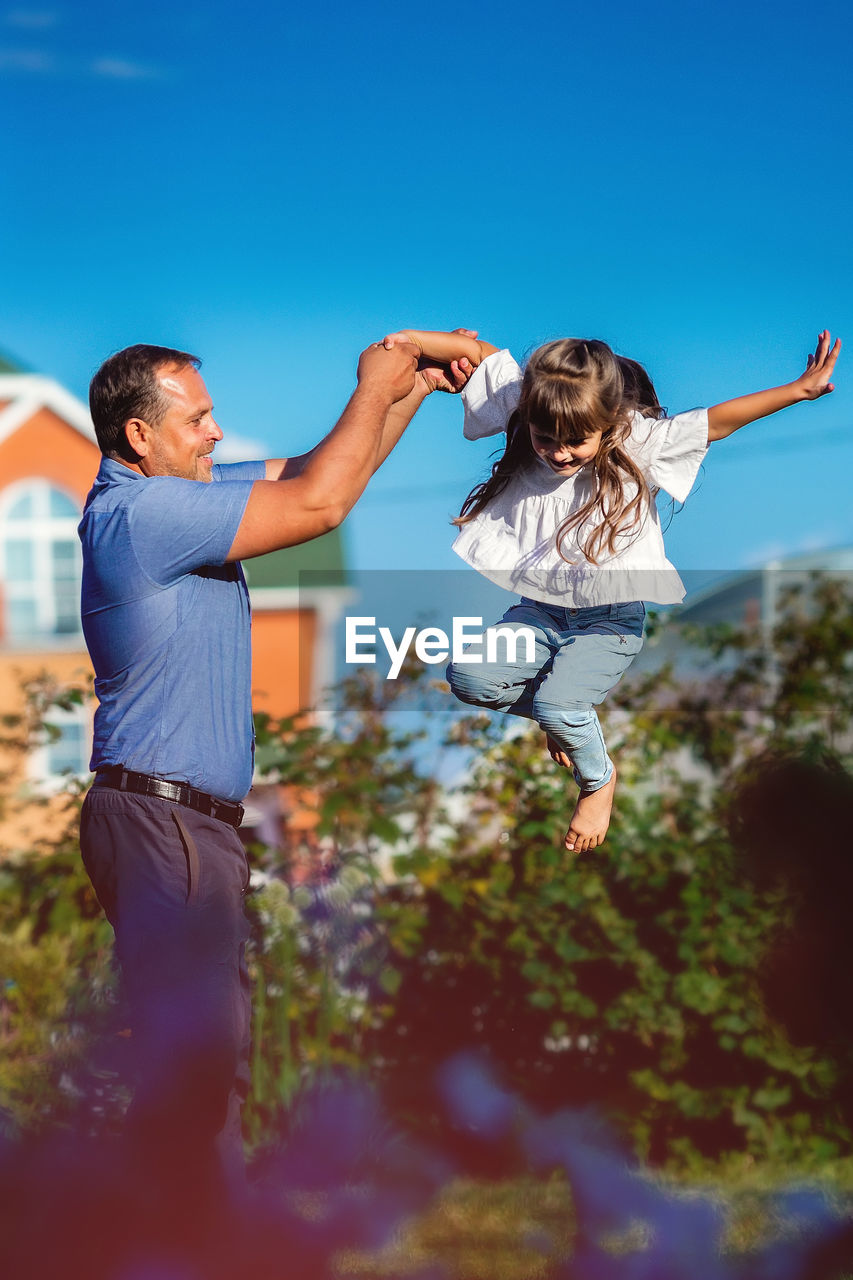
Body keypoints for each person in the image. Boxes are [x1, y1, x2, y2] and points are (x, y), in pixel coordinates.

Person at [77, 336, 426, 1197]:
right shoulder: (143, 516)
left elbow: (322, 467)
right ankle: (147, 1242)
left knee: (211, 1062)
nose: (214, 431)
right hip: (167, 824)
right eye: (196, 420)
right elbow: (319, 504)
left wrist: (406, 391)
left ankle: (205, 1239)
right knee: (190, 1064)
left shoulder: (183, 492)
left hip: (189, 829)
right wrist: (375, 380)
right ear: (138, 435)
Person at [384, 327, 841, 853]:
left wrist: (799, 390)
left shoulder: (637, 441)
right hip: (541, 611)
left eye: (574, 441)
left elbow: (715, 423)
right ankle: (565, 715)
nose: (557, 454)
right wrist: (408, 341)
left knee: (559, 707)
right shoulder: (529, 404)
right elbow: (482, 355)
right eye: (544, 439)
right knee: (469, 677)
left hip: (609, 621)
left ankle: (597, 780)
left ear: (607, 425)